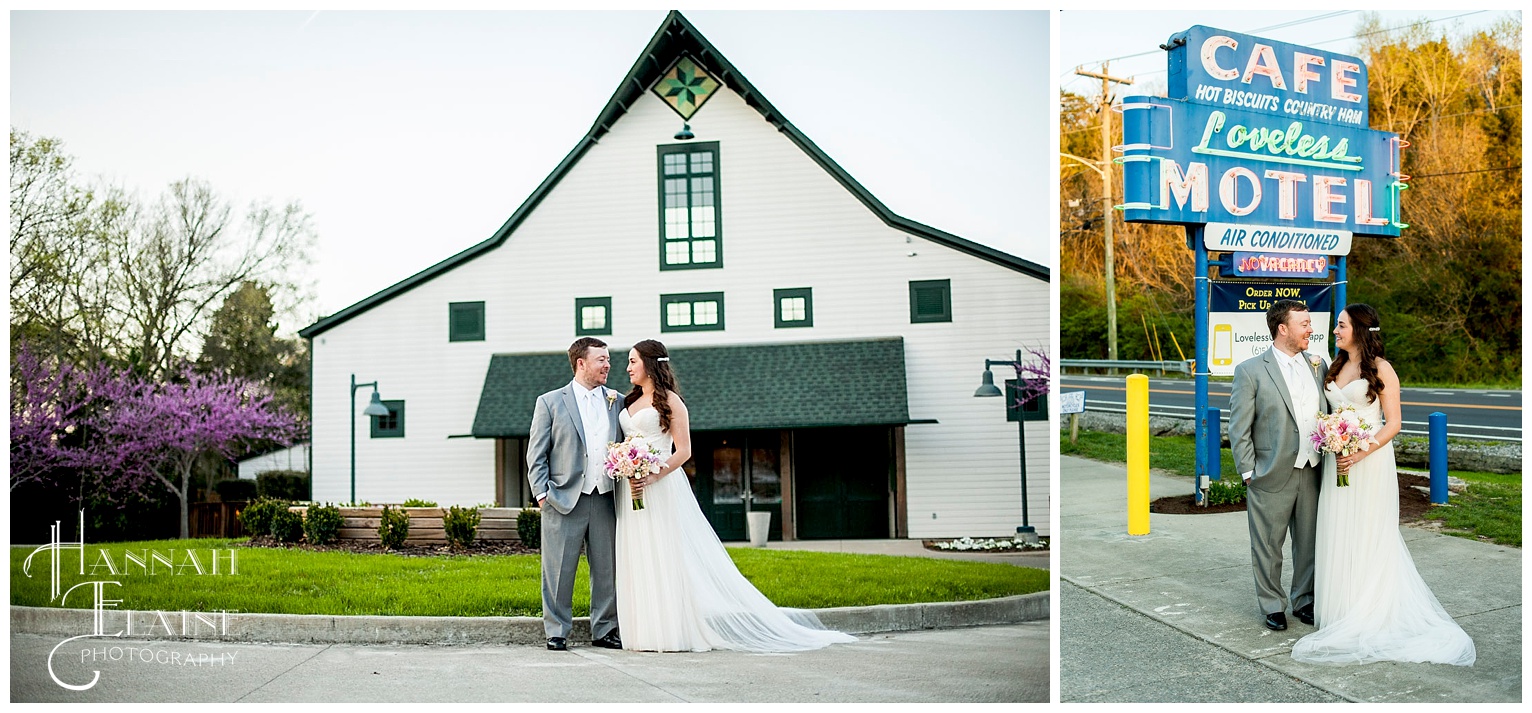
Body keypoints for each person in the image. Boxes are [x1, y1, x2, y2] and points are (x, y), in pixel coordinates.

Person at [612, 339, 856, 652]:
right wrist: (626, 467)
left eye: (633, 361)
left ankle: (667, 631)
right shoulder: (627, 400)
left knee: (662, 555)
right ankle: (640, 631)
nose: (628, 367)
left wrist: (654, 474)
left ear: (650, 363)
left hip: (659, 488)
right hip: (629, 489)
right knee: (637, 554)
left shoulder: (671, 402)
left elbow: (684, 450)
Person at [1290, 304, 1475, 666]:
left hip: (1369, 463)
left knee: (1367, 533)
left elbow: (1393, 423)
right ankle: (1340, 609)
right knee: (1338, 530)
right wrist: (1333, 440)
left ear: (1358, 330)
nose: (1335, 331)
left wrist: (1359, 452)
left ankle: (1368, 608)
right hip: (1336, 463)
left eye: (1341, 326)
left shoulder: (1382, 369)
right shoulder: (1336, 365)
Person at [1229, 299, 1326, 632]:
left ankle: (1304, 600)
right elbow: (1238, 427)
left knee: (1310, 542)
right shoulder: (1250, 371)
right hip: (1269, 472)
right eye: (1304, 324)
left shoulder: (1318, 364)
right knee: (1268, 545)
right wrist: (1247, 471)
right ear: (1282, 328)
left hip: (1313, 470)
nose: (1310, 329)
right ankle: (1273, 605)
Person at [526, 337, 625, 651]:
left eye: (608, 359)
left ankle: (605, 629)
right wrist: (542, 494)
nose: (607, 365)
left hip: (606, 496)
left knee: (607, 570)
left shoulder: (617, 401)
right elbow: (536, 454)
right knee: (558, 570)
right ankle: (556, 630)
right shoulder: (550, 401)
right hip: (564, 499)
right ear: (581, 363)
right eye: (601, 359)